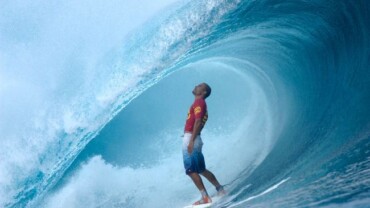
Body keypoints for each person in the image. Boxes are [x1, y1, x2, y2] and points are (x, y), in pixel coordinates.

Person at [182, 83, 225, 205]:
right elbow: (197, 122)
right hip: (194, 137)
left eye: (200, 85)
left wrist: (190, 140)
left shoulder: (199, 102)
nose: (196, 85)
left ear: (204, 92)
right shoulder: (199, 104)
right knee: (201, 169)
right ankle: (220, 189)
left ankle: (205, 197)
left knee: (191, 170)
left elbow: (198, 121)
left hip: (192, 138)